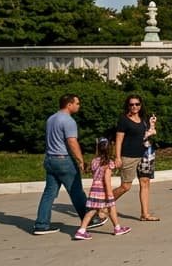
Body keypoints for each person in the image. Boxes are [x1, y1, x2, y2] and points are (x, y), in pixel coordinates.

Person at [33, 94, 99, 235]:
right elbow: (72, 142)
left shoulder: (51, 118)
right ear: (69, 104)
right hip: (63, 160)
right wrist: (81, 160)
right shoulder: (68, 121)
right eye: (77, 103)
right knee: (76, 191)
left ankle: (41, 224)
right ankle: (90, 220)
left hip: (50, 159)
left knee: (49, 193)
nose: (78, 106)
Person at [112, 93, 158, 221]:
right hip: (129, 156)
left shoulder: (144, 119)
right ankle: (103, 205)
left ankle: (145, 214)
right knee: (125, 186)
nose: (134, 106)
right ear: (128, 105)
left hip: (145, 155)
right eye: (131, 104)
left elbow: (147, 134)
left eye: (137, 104)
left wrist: (152, 125)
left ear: (141, 105)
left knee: (145, 182)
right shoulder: (124, 120)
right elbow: (119, 140)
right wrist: (117, 157)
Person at [74, 138, 131, 240]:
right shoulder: (108, 163)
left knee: (95, 210)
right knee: (110, 207)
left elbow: (95, 174)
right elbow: (106, 180)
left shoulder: (94, 161)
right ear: (110, 150)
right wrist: (109, 193)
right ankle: (116, 228)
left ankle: (82, 230)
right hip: (103, 190)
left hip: (95, 189)